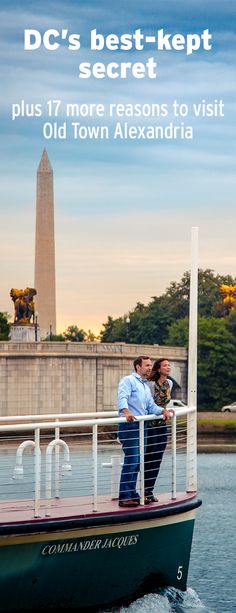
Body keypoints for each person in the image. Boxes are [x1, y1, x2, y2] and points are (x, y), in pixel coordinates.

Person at [117, 355, 173, 507]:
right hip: (130, 426)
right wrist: (126, 411)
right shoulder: (128, 381)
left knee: (138, 462)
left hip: (142, 426)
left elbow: (151, 406)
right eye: (147, 365)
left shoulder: (144, 386)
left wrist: (163, 411)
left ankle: (132, 493)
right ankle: (124, 496)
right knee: (132, 460)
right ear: (138, 367)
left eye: (150, 365)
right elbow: (122, 397)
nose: (150, 368)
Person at [144, 358, 174, 502]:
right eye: (165, 365)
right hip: (149, 424)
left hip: (161, 423)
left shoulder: (170, 384)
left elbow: (164, 402)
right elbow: (148, 404)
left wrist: (166, 410)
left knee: (158, 458)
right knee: (148, 457)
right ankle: (144, 490)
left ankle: (149, 490)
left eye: (169, 365)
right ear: (158, 368)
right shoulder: (150, 384)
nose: (168, 367)